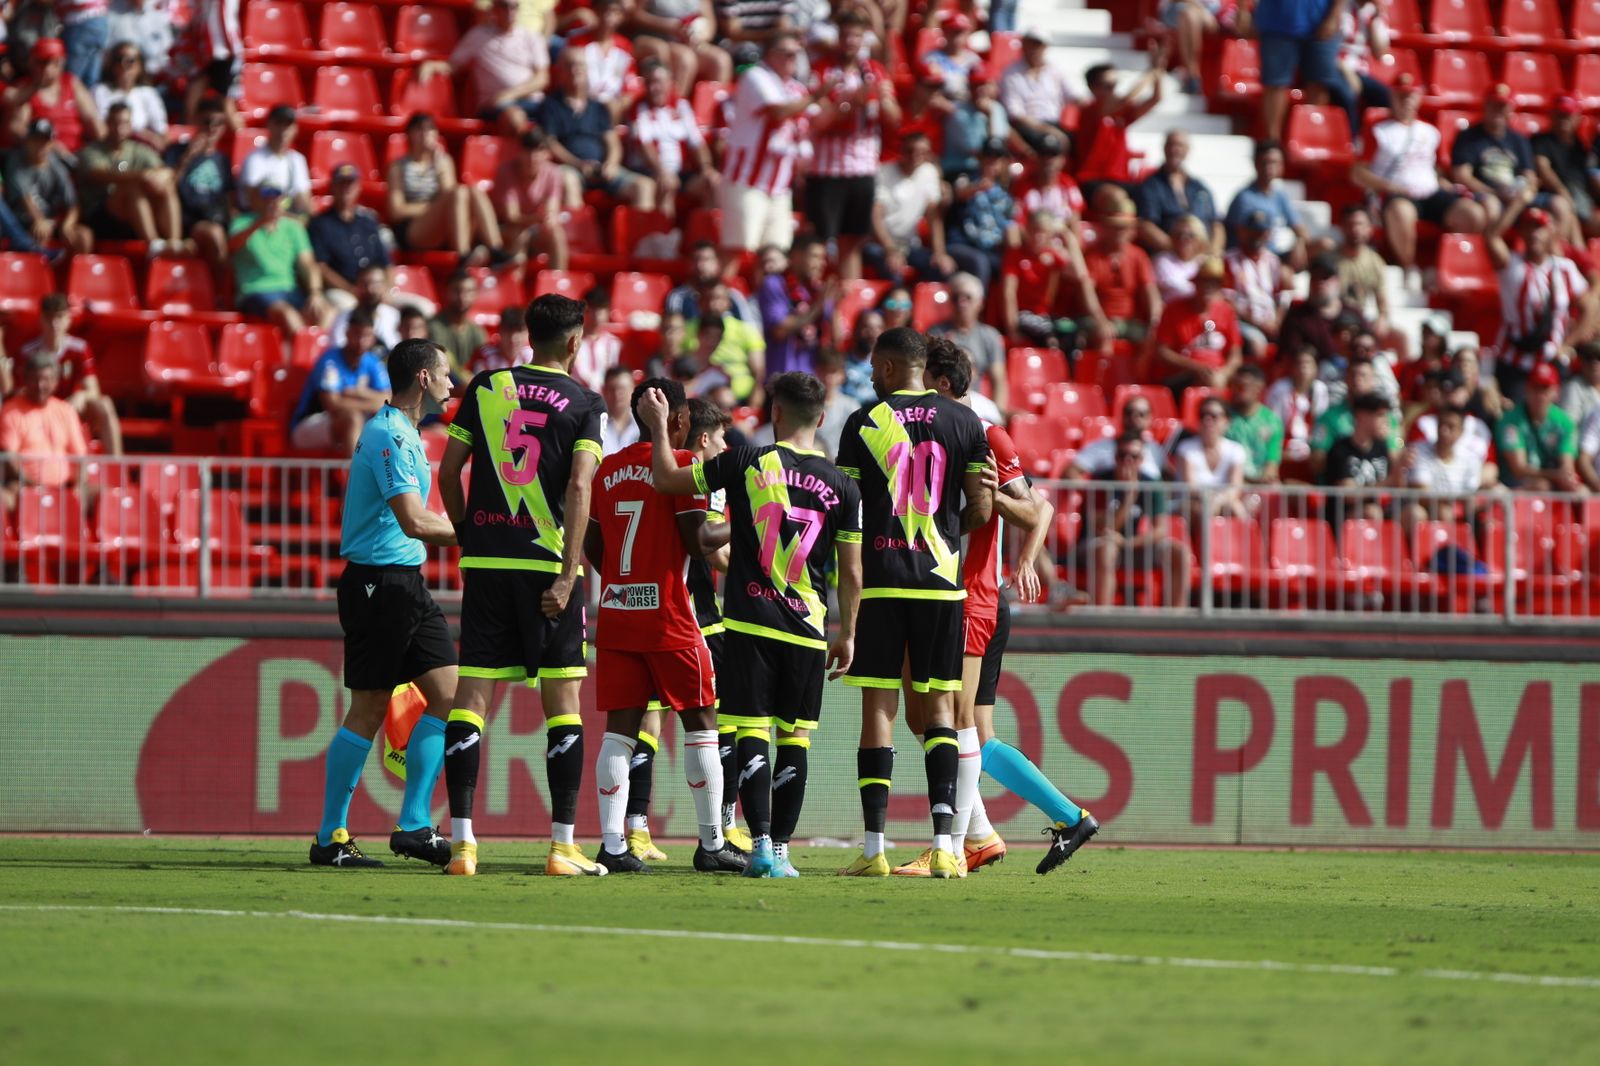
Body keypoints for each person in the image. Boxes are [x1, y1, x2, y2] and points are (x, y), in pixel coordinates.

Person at [644, 370, 864, 878]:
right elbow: (851, 572)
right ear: (823, 419)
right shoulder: (843, 487)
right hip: (808, 628)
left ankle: (760, 844)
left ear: (776, 413)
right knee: (796, 740)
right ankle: (783, 853)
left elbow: (667, 479)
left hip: (748, 622)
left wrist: (659, 428)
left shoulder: (745, 459)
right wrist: (847, 632)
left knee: (750, 734)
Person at [898, 338, 1091, 877]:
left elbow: (1036, 508)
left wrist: (1022, 550)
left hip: (970, 595)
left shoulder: (979, 431)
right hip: (957, 593)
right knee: (959, 729)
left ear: (937, 382)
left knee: (951, 724)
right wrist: (1025, 558)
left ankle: (955, 846)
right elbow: (1038, 505)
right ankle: (1041, 822)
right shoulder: (925, 431)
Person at [438, 293, 607, 878]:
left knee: (472, 700)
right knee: (563, 706)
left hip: (486, 564)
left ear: (530, 335)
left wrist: (467, 536)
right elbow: (581, 488)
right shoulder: (585, 401)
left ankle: (462, 846)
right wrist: (568, 573)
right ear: (575, 341)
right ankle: (561, 846)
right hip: (545, 569)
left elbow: (447, 471)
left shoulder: (485, 386)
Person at [834, 326, 992, 878]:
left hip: (880, 581)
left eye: (877, 367)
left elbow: (846, 513)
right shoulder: (964, 421)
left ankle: (874, 849)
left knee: (879, 708)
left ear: (893, 368)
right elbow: (980, 510)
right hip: (941, 583)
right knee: (944, 712)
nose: (873, 376)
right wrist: (949, 521)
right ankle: (946, 845)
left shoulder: (863, 422)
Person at [307, 338, 460, 871]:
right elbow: (414, 522)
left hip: (405, 582)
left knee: (449, 693)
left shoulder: (406, 432)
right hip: (377, 584)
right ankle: (329, 838)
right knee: (369, 708)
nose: (451, 382)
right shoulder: (390, 434)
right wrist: (484, 536)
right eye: (444, 373)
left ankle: (415, 827)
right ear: (422, 378)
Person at [584, 376, 747, 874]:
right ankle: (712, 843)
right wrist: (748, 518)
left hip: (617, 612)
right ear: (678, 419)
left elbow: (594, 545)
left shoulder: (607, 469)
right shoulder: (683, 467)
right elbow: (699, 540)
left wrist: (619, 579)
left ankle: (613, 845)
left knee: (619, 731)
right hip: (671, 617)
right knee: (702, 723)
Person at [623, 396, 750, 859]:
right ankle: (722, 829)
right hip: (694, 615)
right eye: (719, 438)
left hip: (645, 608)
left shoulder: (641, 471)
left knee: (645, 718)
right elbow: (713, 552)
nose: (723, 446)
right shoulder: (700, 477)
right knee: (721, 721)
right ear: (701, 438)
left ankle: (634, 828)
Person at [1351, 73, 1485, 285]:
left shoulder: (1430, 131)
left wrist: (1447, 186)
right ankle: (1409, 269)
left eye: (1410, 95)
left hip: (1430, 191)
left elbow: (1436, 169)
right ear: (1392, 96)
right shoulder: (1377, 129)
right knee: (1401, 212)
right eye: (1401, 95)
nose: (1406, 100)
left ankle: (1442, 264)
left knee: (1473, 214)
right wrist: (1389, 186)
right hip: (1396, 193)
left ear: (1419, 97)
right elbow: (1358, 173)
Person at [807, 10, 897, 280]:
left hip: (862, 168)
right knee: (822, 243)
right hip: (827, 170)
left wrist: (883, 101)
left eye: (856, 36)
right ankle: (817, 299)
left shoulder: (875, 72)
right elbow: (818, 123)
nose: (850, 41)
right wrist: (848, 106)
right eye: (846, 35)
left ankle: (847, 303)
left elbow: (894, 120)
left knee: (852, 242)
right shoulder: (822, 71)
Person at [719, 33, 821, 256]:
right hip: (746, 181)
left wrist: (848, 103)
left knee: (775, 255)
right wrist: (817, 96)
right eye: (788, 54)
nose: (793, 59)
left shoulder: (797, 89)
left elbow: (819, 121)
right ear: (771, 55)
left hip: (780, 187)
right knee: (739, 251)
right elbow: (777, 112)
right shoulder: (755, 77)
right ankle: (730, 291)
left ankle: (764, 292)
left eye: (797, 54)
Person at [1487, 204, 1593, 402]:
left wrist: (1568, 344)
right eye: (1528, 227)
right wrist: (1520, 199)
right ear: (1521, 232)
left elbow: (1590, 308)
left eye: (1539, 227)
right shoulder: (1511, 265)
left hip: (1552, 359)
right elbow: (1492, 236)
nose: (1534, 234)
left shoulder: (1565, 269)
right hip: (1514, 360)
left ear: (1551, 232)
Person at [1078, 429, 1193, 608]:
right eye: (1123, 455)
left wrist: (1127, 543)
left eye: (1134, 456)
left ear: (1142, 460)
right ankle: (1101, 618)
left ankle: (1176, 620)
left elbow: (1160, 530)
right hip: (1095, 545)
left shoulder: (1152, 484)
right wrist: (1129, 497)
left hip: (1131, 546)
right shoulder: (1100, 481)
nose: (1128, 461)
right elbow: (1102, 528)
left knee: (1180, 553)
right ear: (1115, 457)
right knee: (1107, 549)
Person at [387, 113, 511, 264]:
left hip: (443, 225)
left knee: (473, 191)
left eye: (430, 129)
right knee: (458, 193)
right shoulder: (398, 167)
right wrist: (432, 208)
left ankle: (495, 248)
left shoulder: (443, 162)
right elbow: (397, 210)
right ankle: (463, 255)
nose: (426, 134)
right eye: (420, 129)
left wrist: (439, 169)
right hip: (415, 228)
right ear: (410, 134)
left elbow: (451, 197)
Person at [1453, 83, 1571, 235]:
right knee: (1491, 204)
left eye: (1503, 106)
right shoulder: (1469, 137)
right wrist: (1494, 192)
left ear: (1511, 109)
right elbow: (1462, 175)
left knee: (1559, 204)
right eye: (1494, 105)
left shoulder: (1519, 140)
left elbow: (1529, 175)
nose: (1498, 111)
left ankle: (1556, 255)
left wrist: (1525, 189)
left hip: (1516, 195)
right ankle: (1492, 248)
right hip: (1487, 193)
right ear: (1486, 105)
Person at [421, 0, 550, 135]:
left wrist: (509, 94)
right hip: (494, 106)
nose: (510, 11)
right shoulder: (478, 36)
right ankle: (527, 151)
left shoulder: (532, 38)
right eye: (504, 6)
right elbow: (452, 65)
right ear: (494, 9)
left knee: (561, 114)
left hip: (532, 102)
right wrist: (431, 65)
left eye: (514, 7)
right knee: (514, 116)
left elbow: (542, 79)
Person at [20, 293, 121, 456]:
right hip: (38, 407)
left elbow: (93, 389)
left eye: (59, 317)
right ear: (41, 320)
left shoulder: (80, 349)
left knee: (104, 404)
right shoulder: (28, 351)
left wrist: (81, 396)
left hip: (71, 407)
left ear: (68, 319)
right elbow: (21, 392)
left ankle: (117, 467)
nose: (54, 324)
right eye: (49, 318)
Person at [76, 102, 183, 253]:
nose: (120, 128)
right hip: (101, 216)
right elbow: (100, 174)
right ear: (107, 123)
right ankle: (154, 245)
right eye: (115, 122)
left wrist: (160, 176)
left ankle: (174, 243)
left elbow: (164, 170)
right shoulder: (92, 151)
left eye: (125, 123)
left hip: (131, 216)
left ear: (131, 124)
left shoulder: (138, 149)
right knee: (132, 187)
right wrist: (142, 176)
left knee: (165, 186)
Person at [228, 183, 327, 335]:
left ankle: (316, 352)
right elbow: (232, 246)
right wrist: (261, 222)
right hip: (255, 290)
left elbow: (307, 263)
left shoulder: (293, 227)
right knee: (286, 313)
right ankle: (305, 353)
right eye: (266, 197)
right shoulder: (241, 222)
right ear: (255, 199)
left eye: (276, 197)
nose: (271, 202)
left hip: (288, 290)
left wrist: (315, 293)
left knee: (327, 311)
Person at [626, 59, 718, 220]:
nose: (655, 88)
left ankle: (704, 236)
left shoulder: (681, 106)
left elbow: (696, 143)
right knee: (667, 184)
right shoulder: (638, 109)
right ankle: (665, 236)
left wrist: (706, 168)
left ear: (670, 83)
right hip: (650, 171)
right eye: (650, 83)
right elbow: (644, 145)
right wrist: (662, 171)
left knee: (712, 182)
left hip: (681, 172)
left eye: (659, 82)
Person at [0, 351, 92, 512]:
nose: (40, 385)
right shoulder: (11, 411)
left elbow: (81, 456)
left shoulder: (66, 410)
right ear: (25, 380)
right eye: (35, 379)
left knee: (108, 496)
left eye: (46, 380)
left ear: (56, 381)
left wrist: (79, 486)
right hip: (24, 487)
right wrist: (32, 485)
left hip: (66, 488)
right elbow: (9, 458)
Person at [289, 310, 390, 454]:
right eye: (356, 334)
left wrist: (358, 392)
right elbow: (332, 404)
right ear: (347, 333)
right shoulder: (330, 360)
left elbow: (389, 401)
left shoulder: (372, 361)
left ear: (373, 338)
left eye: (366, 335)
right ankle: (358, 475)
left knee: (388, 420)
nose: (361, 341)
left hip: (352, 420)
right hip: (309, 424)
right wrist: (374, 403)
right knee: (353, 418)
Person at [1074, 45, 1168, 194]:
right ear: (1093, 88)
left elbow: (1156, 98)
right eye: (1108, 85)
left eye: (1115, 85)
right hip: (1094, 179)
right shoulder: (1090, 111)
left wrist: (1159, 70)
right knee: (1119, 201)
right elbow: (1127, 98)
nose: (1113, 90)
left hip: (1121, 179)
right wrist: (1152, 71)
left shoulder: (1119, 113)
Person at [1078, 196, 1159, 358]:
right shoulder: (1093, 255)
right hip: (1098, 319)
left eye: (1124, 228)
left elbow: (1150, 292)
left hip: (1128, 321)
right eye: (1115, 227)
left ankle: (1136, 381)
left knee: (1156, 341)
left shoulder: (1138, 256)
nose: (1119, 232)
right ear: (1105, 228)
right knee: (1103, 335)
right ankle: (1103, 380)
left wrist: (1155, 321)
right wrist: (1101, 320)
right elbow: (1087, 292)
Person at [1255, 0, 1346, 143]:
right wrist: (1242, 10)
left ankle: (1311, 140)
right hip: (1277, 23)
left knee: (1319, 84)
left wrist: (1334, 16)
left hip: (1321, 21)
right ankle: (1272, 143)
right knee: (1276, 84)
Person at [309, 164, 390, 314]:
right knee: (351, 309)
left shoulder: (368, 221)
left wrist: (387, 289)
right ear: (332, 187)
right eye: (341, 184)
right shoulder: (320, 224)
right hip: (343, 290)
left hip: (376, 288)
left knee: (421, 307)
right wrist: (352, 290)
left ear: (358, 187)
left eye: (350, 184)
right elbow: (321, 267)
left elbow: (386, 263)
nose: (346, 189)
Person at [998, 209, 1083, 353]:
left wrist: (1066, 235)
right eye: (1034, 231)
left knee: (1072, 331)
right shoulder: (1015, 255)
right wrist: (1012, 329)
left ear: (1050, 234)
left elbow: (1079, 274)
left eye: (1043, 232)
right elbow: (1008, 292)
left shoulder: (1052, 255)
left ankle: (1069, 374)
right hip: (1023, 315)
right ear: (1027, 230)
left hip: (1044, 316)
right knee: (1048, 335)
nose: (1038, 237)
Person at [4, 118, 93, 254]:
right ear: (27, 142)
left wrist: (67, 225)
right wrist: (39, 220)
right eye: (36, 140)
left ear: (51, 143)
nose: (40, 146)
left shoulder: (55, 164)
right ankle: (37, 273)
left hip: (50, 220)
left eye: (44, 141)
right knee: (40, 232)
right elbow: (25, 198)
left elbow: (72, 204)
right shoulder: (16, 161)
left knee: (84, 236)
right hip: (23, 220)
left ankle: (77, 275)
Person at [1153, 255, 1238, 396]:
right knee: (1211, 380)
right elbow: (1162, 352)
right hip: (1181, 376)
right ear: (1196, 283)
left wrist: (1224, 373)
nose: (1209, 287)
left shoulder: (1226, 311)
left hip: (1218, 375)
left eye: (1214, 283)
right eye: (1205, 281)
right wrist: (1195, 367)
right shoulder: (1174, 309)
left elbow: (1235, 355)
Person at [5, 37, 103, 157]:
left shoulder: (71, 83)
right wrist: (48, 145)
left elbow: (93, 121)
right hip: (42, 156)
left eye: (54, 61)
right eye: (43, 62)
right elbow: (17, 129)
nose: (47, 68)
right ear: (32, 62)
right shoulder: (26, 90)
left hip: (76, 153)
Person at [162, 99, 231, 268]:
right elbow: (165, 188)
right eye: (207, 122)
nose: (213, 128)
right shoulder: (176, 151)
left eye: (219, 123)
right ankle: (220, 292)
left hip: (216, 218)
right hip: (187, 221)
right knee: (213, 234)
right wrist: (187, 158)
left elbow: (230, 198)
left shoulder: (222, 160)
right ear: (196, 121)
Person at [1406, 404, 1499, 528]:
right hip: (1431, 510)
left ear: (1461, 432)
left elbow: (1471, 494)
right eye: (1441, 425)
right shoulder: (1419, 450)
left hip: (1459, 510)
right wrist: (1458, 501)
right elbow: (1422, 494)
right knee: (1436, 512)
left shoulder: (1469, 458)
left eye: (1451, 427)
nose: (1444, 431)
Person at [1496, 362, 1582, 492]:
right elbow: (1519, 469)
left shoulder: (1565, 422)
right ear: (1526, 389)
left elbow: (1567, 466)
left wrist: (1566, 477)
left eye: (1545, 388)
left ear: (1556, 391)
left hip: (1551, 482)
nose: (1540, 395)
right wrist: (1556, 475)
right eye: (1535, 388)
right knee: (1541, 486)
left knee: (1580, 491)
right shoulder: (1510, 421)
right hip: (1515, 484)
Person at [946, 137, 1019, 289]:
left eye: (997, 157)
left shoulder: (1004, 194)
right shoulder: (965, 177)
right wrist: (979, 186)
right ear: (980, 157)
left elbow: (1010, 226)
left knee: (1012, 266)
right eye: (988, 156)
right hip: (961, 244)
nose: (992, 161)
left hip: (990, 248)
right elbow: (961, 192)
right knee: (980, 262)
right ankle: (976, 310)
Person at [759, 233, 834, 379]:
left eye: (823, 258)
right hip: (782, 380)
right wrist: (816, 308)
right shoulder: (774, 284)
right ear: (796, 256)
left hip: (811, 380)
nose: (821, 263)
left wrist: (836, 302)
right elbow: (779, 330)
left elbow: (834, 338)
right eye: (815, 257)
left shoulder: (817, 290)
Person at [931, 272, 1009, 412]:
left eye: (967, 297)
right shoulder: (936, 334)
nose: (961, 303)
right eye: (956, 298)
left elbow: (999, 380)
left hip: (974, 402)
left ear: (980, 303)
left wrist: (999, 412)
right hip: (941, 402)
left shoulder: (990, 336)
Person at [1323, 391, 1404, 525]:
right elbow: (1349, 495)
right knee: (1372, 512)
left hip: (1382, 512)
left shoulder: (1382, 447)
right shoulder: (1340, 449)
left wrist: (1401, 466)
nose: (1386, 422)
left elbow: (1398, 486)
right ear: (1361, 417)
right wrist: (1388, 482)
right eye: (1380, 416)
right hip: (1344, 519)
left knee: (1413, 513)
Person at [1136, 130, 1223, 254]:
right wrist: (1179, 251)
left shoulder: (1199, 187)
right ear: (1164, 148)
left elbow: (1216, 224)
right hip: (1168, 257)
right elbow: (1146, 226)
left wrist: (1213, 252)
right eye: (1171, 145)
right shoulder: (1151, 186)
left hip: (1201, 258)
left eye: (1180, 145)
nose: (1175, 149)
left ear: (1188, 150)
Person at [1225, 140, 1306, 268]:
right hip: (1253, 257)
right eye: (1265, 162)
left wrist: (1299, 243)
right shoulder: (1244, 198)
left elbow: (1300, 229)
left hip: (1276, 254)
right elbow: (1245, 239)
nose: (1269, 167)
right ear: (1256, 164)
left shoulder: (1280, 195)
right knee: (1285, 276)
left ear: (1282, 165)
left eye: (1274, 162)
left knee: (1324, 245)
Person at [627, 0, 730, 97]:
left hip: (689, 42)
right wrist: (669, 26)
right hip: (657, 38)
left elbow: (710, 23)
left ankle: (713, 112)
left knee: (720, 59)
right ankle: (674, 109)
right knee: (685, 59)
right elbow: (635, 15)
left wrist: (700, 35)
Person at [1223, 208, 1288, 360]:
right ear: (1242, 232)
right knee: (1257, 343)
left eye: (1261, 232)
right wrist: (1259, 324)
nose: (1257, 236)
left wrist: (1276, 322)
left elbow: (1281, 298)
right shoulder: (1229, 260)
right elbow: (1228, 301)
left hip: (1271, 322)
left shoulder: (1273, 261)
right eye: (1252, 231)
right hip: (1244, 321)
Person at [686, 282, 766, 403]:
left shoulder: (746, 330)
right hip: (695, 398)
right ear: (699, 303)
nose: (712, 304)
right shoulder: (686, 329)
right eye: (707, 298)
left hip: (741, 401)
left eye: (718, 298)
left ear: (728, 302)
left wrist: (751, 410)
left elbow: (759, 373)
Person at [1533, 96, 1600, 241]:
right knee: (1566, 211)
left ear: (1577, 118)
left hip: (1581, 200)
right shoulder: (1541, 141)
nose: (1564, 119)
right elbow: (1543, 169)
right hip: (1555, 199)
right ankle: (1579, 260)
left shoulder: (1580, 147)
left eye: (1568, 115)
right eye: (1560, 114)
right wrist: (1562, 191)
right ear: (1552, 115)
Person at [1174, 397, 1250, 520]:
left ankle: (1246, 538)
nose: (1208, 420)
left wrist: (1218, 500)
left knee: (1235, 507)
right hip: (1191, 505)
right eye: (1203, 415)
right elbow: (1191, 488)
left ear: (1227, 421)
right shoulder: (1186, 448)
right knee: (1201, 509)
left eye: (1214, 416)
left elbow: (1235, 488)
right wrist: (1211, 499)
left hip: (1220, 502)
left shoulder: (1236, 450)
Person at [1000, 28, 1074, 154]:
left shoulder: (1055, 70)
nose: (1034, 49)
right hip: (1027, 127)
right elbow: (1015, 113)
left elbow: (1074, 95)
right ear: (1023, 45)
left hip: (1053, 124)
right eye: (1031, 44)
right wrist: (1046, 129)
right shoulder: (1011, 73)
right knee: (1049, 144)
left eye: (1038, 44)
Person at [1068, 393, 1170, 481]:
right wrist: (1094, 494)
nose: (1134, 417)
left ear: (1150, 418)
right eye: (1129, 412)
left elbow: (1169, 478)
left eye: (1141, 414)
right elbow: (1071, 471)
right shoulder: (1101, 447)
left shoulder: (1155, 450)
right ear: (1122, 416)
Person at [1267, 344, 1330, 478]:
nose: (1303, 368)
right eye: (1299, 363)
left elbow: (1322, 424)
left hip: (1311, 447)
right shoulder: (1279, 390)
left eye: (1308, 363)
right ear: (1292, 367)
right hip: (1285, 446)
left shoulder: (1320, 390)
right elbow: (1274, 424)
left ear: (1316, 368)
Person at [238, 105, 311, 216]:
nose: (282, 131)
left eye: (287, 125)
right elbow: (254, 201)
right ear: (268, 125)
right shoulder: (254, 159)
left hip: (286, 219)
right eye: (278, 124)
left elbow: (304, 201)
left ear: (295, 129)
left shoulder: (298, 160)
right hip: (258, 219)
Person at [941, 68, 1012, 182]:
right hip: (961, 169)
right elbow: (979, 151)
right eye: (976, 85)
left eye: (984, 85)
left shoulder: (996, 108)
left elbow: (1000, 144)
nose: (980, 90)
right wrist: (989, 117)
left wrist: (990, 114)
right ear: (969, 87)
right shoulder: (958, 111)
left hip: (988, 169)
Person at [92, 40, 166, 148]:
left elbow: (162, 131)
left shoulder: (148, 93)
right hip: (109, 148)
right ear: (112, 64)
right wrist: (140, 135)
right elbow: (101, 128)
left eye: (131, 60)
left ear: (140, 65)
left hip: (141, 151)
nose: (124, 65)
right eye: (119, 59)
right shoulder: (99, 91)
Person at [664, 242, 758, 323]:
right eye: (696, 259)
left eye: (706, 259)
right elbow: (674, 331)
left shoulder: (733, 296)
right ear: (689, 264)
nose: (700, 265)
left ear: (717, 264)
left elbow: (750, 329)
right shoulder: (678, 297)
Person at [1225, 363, 1284, 484]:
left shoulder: (1272, 421)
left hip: (1261, 483)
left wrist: (1262, 481)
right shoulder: (1223, 418)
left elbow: (1272, 462)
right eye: (1233, 385)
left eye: (1242, 386)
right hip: (1229, 481)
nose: (1236, 391)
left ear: (1258, 388)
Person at [428, 271, 487, 380]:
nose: (462, 296)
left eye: (468, 291)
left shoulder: (478, 331)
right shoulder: (433, 327)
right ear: (447, 292)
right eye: (457, 290)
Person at [328, 265, 401, 352]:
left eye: (376, 284)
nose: (370, 289)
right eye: (365, 284)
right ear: (356, 285)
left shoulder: (393, 315)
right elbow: (339, 347)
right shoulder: (345, 317)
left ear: (385, 286)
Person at [920, 11, 981, 99]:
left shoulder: (974, 59)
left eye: (961, 32)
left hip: (968, 104)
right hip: (945, 104)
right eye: (953, 31)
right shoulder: (931, 58)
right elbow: (926, 91)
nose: (957, 37)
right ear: (944, 32)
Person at [571, 286, 621, 392]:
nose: (597, 315)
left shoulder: (614, 343)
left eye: (601, 309)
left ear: (608, 311)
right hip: (577, 395)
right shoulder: (572, 341)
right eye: (592, 309)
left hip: (604, 400)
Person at [1153, 214, 1210, 303]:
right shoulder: (1163, 261)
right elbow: (1180, 292)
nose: (1184, 239)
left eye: (1191, 235)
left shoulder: (1205, 262)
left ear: (1200, 239)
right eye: (1179, 234)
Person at [466, 306, 533, 378]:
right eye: (508, 331)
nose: (513, 338)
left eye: (519, 331)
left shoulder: (533, 355)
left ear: (528, 333)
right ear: (499, 331)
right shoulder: (483, 355)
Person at [599, 365, 641, 455]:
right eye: (612, 389)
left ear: (633, 389)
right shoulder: (595, 424)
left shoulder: (643, 424)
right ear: (604, 390)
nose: (617, 395)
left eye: (622, 389)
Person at [1561, 343, 1600, 427]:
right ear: (1582, 362)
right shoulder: (1573, 388)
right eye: (1589, 358)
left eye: (1599, 358)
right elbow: (1569, 427)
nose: (1595, 362)